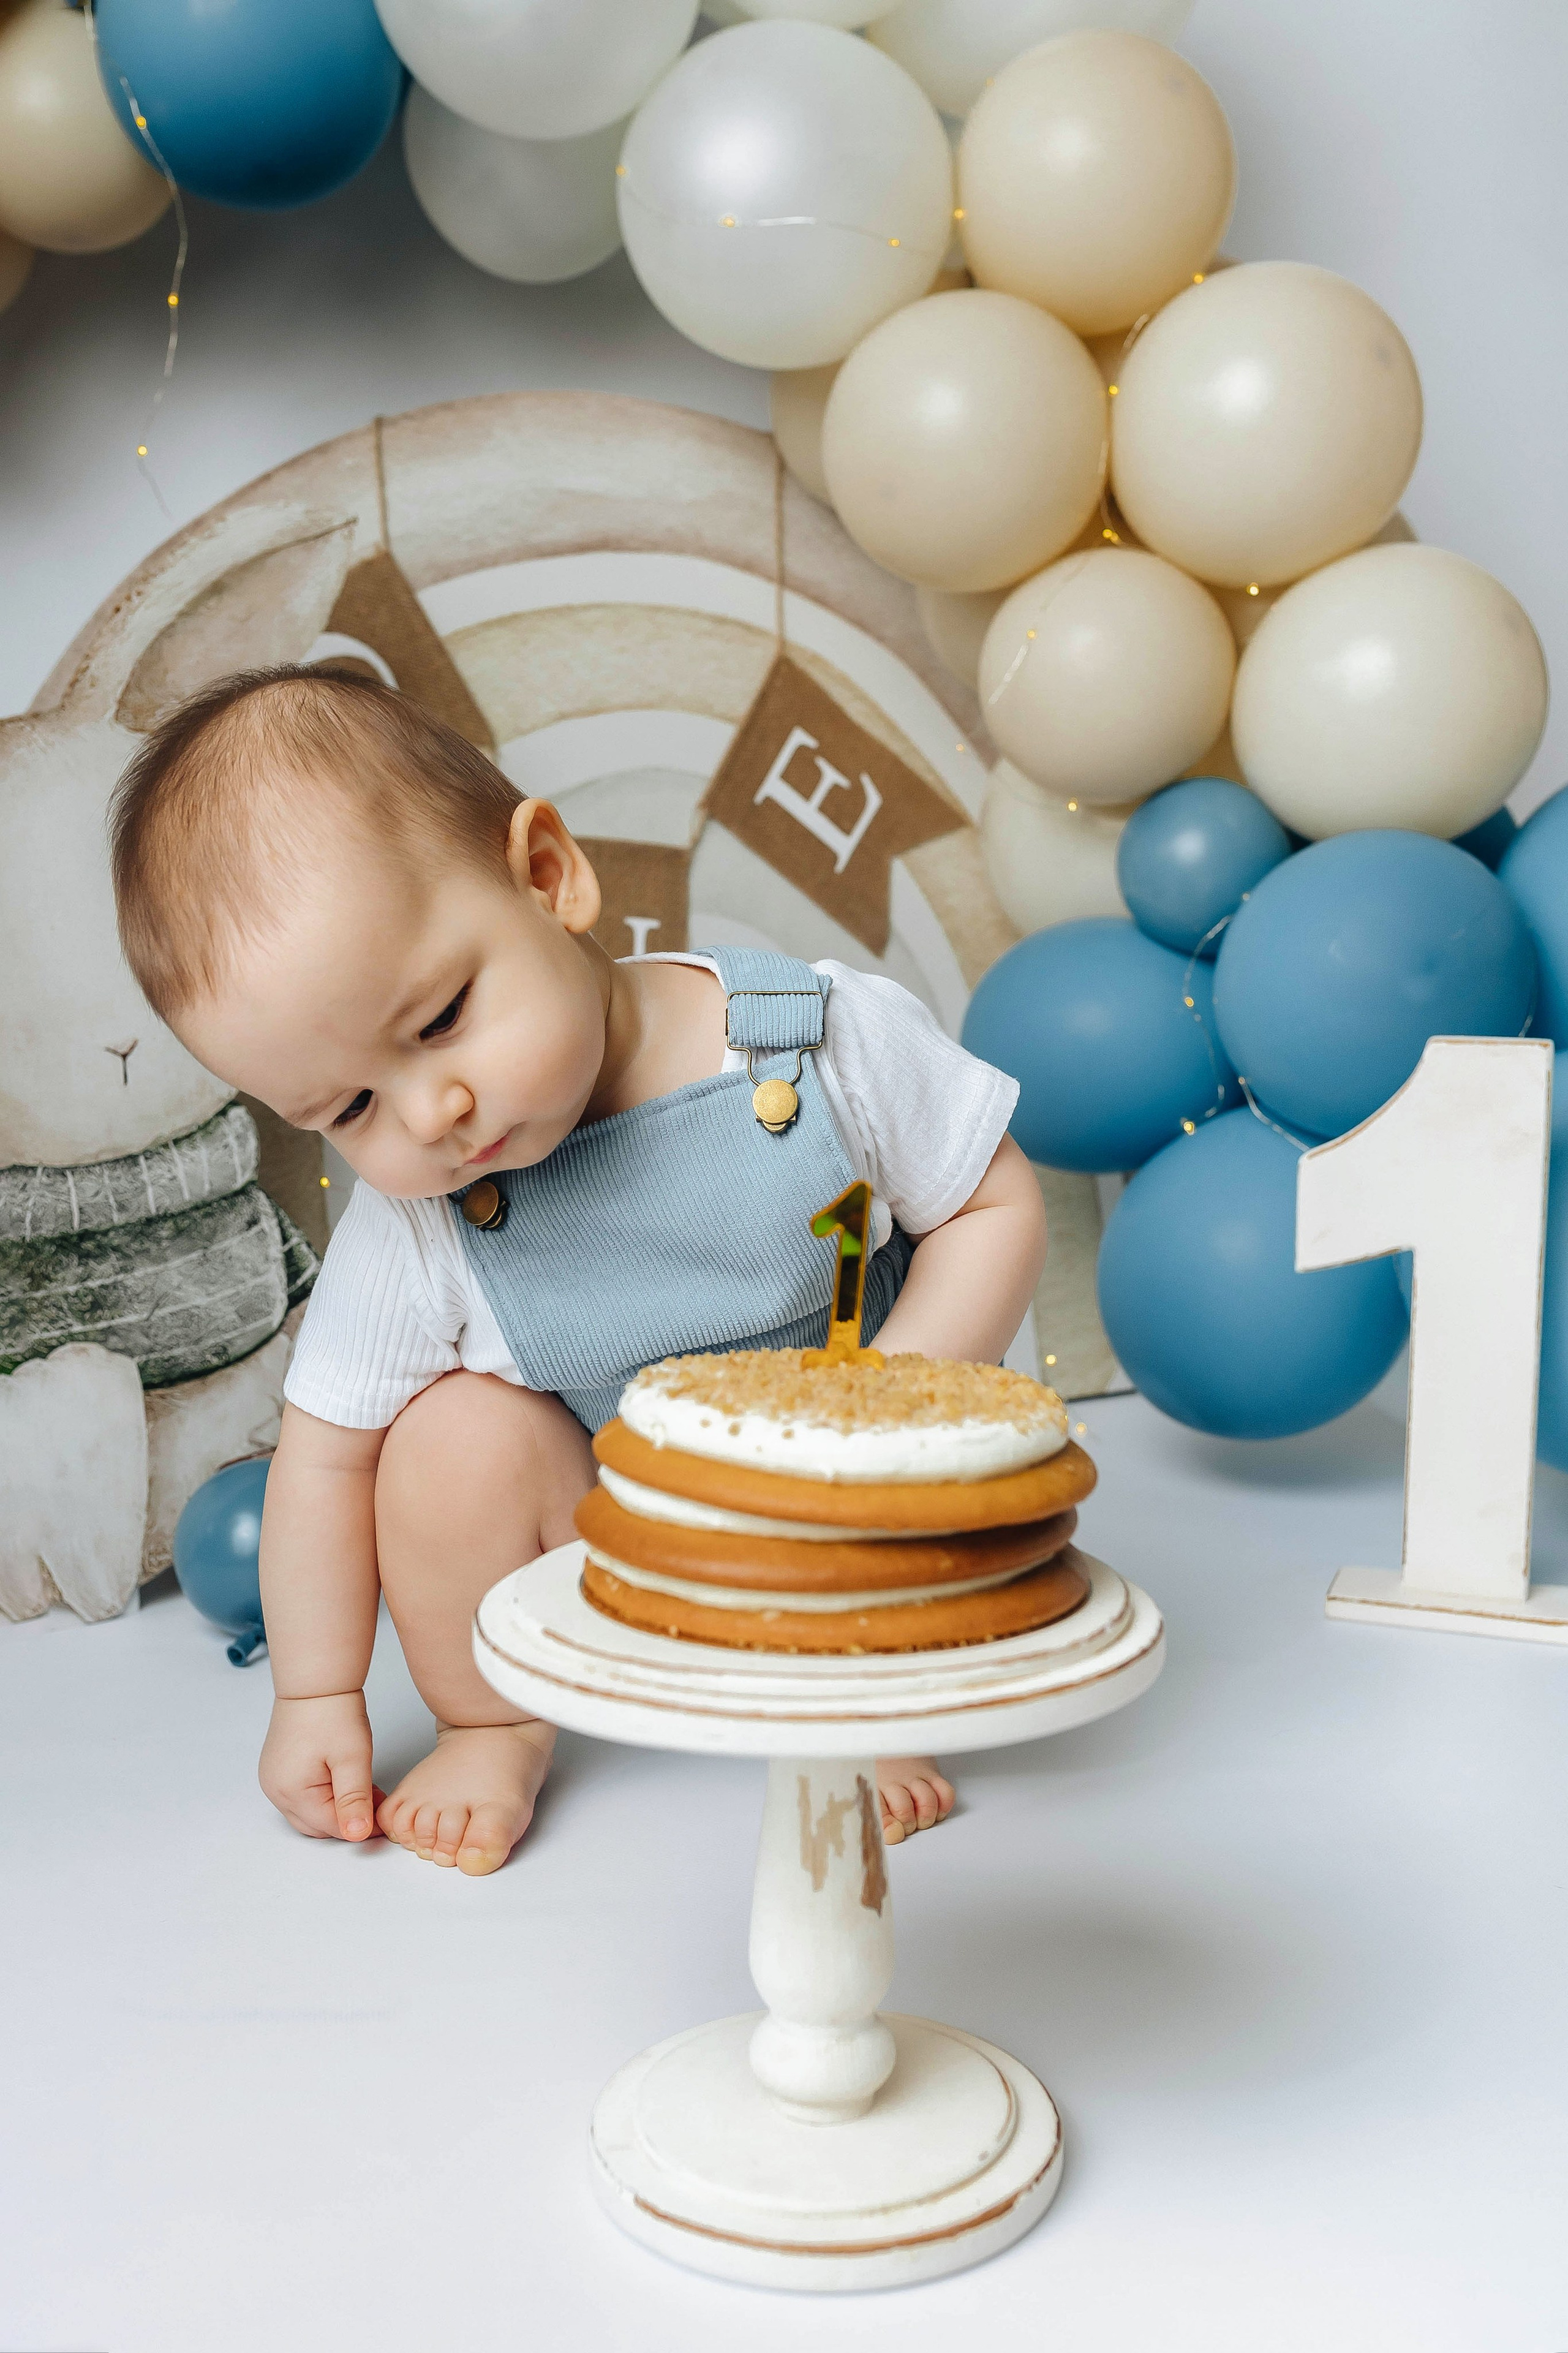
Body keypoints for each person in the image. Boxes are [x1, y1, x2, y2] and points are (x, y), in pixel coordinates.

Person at [110, 667, 1047, 1876]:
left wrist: (888, 1406)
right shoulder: (423, 1223)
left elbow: (992, 1200)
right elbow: (325, 1453)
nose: (432, 1113)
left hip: (849, 1518)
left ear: (545, 875)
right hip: (620, 1545)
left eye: (442, 1017)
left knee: (941, 1483)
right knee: (440, 1436)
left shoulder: (816, 1041)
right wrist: (315, 1693)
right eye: (347, 1107)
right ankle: (494, 1718)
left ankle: (850, 1705)